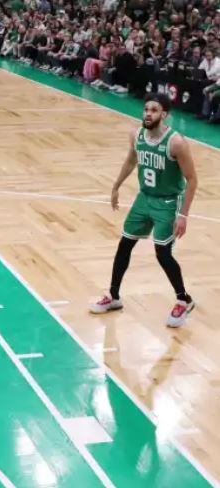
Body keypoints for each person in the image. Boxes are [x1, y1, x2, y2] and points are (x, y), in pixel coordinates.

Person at [90, 94, 198, 327]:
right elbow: (131, 161)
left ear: (164, 115)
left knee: (162, 253)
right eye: (146, 109)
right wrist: (116, 186)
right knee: (124, 244)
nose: (148, 113)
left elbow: (192, 179)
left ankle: (183, 299)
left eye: (154, 110)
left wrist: (183, 215)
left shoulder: (176, 142)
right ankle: (114, 296)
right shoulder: (136, 135)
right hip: (144, 198)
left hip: (168, 202)